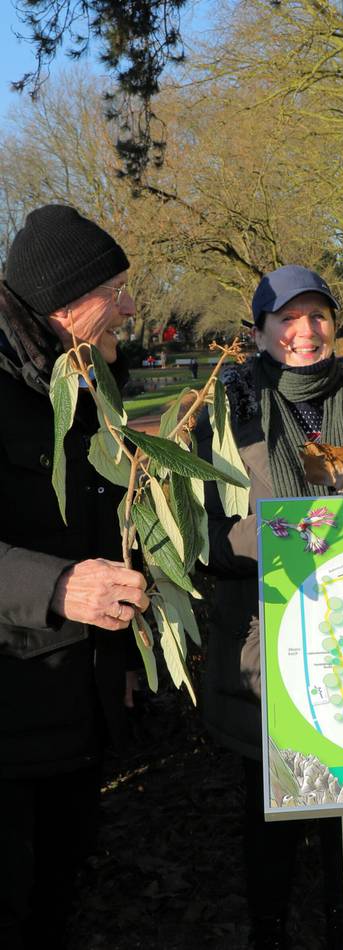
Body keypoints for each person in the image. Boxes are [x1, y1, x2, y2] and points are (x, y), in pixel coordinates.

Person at [196, 264, 343, 950]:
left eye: (317, 315)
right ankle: (269, 929)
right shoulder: (229, 411)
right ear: (261, 331)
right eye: (287, 319)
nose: (305, 331)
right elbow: (206, 526)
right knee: (275, 811)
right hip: (271, 640)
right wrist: (292, 537)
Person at [0, 204, 149, 949]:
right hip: (10, 714)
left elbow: (100, 526)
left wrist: (116, 663)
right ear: (64, 302)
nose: (128, 305)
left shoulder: (84, 381)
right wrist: (56, 588)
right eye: (115, 290)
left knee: (61, 891)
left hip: (76, 707)